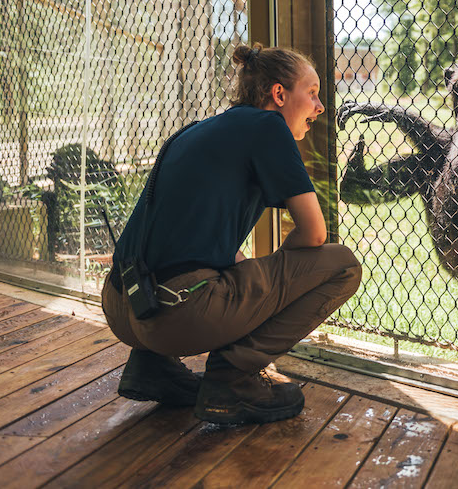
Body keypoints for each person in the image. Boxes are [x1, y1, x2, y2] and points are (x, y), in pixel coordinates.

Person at [101, 44, 362, 425]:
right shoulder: (269, 127)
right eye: (313, 92)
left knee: (231, 264)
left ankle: (153, 368)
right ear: (279, 94)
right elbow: (315, 232)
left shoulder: (198, 130)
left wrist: (252, 273)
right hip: (177, 315)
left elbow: (190, 238)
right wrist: (281, 279)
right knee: (342, 265)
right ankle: (233, 379)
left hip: (122, 304)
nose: (320, 107)